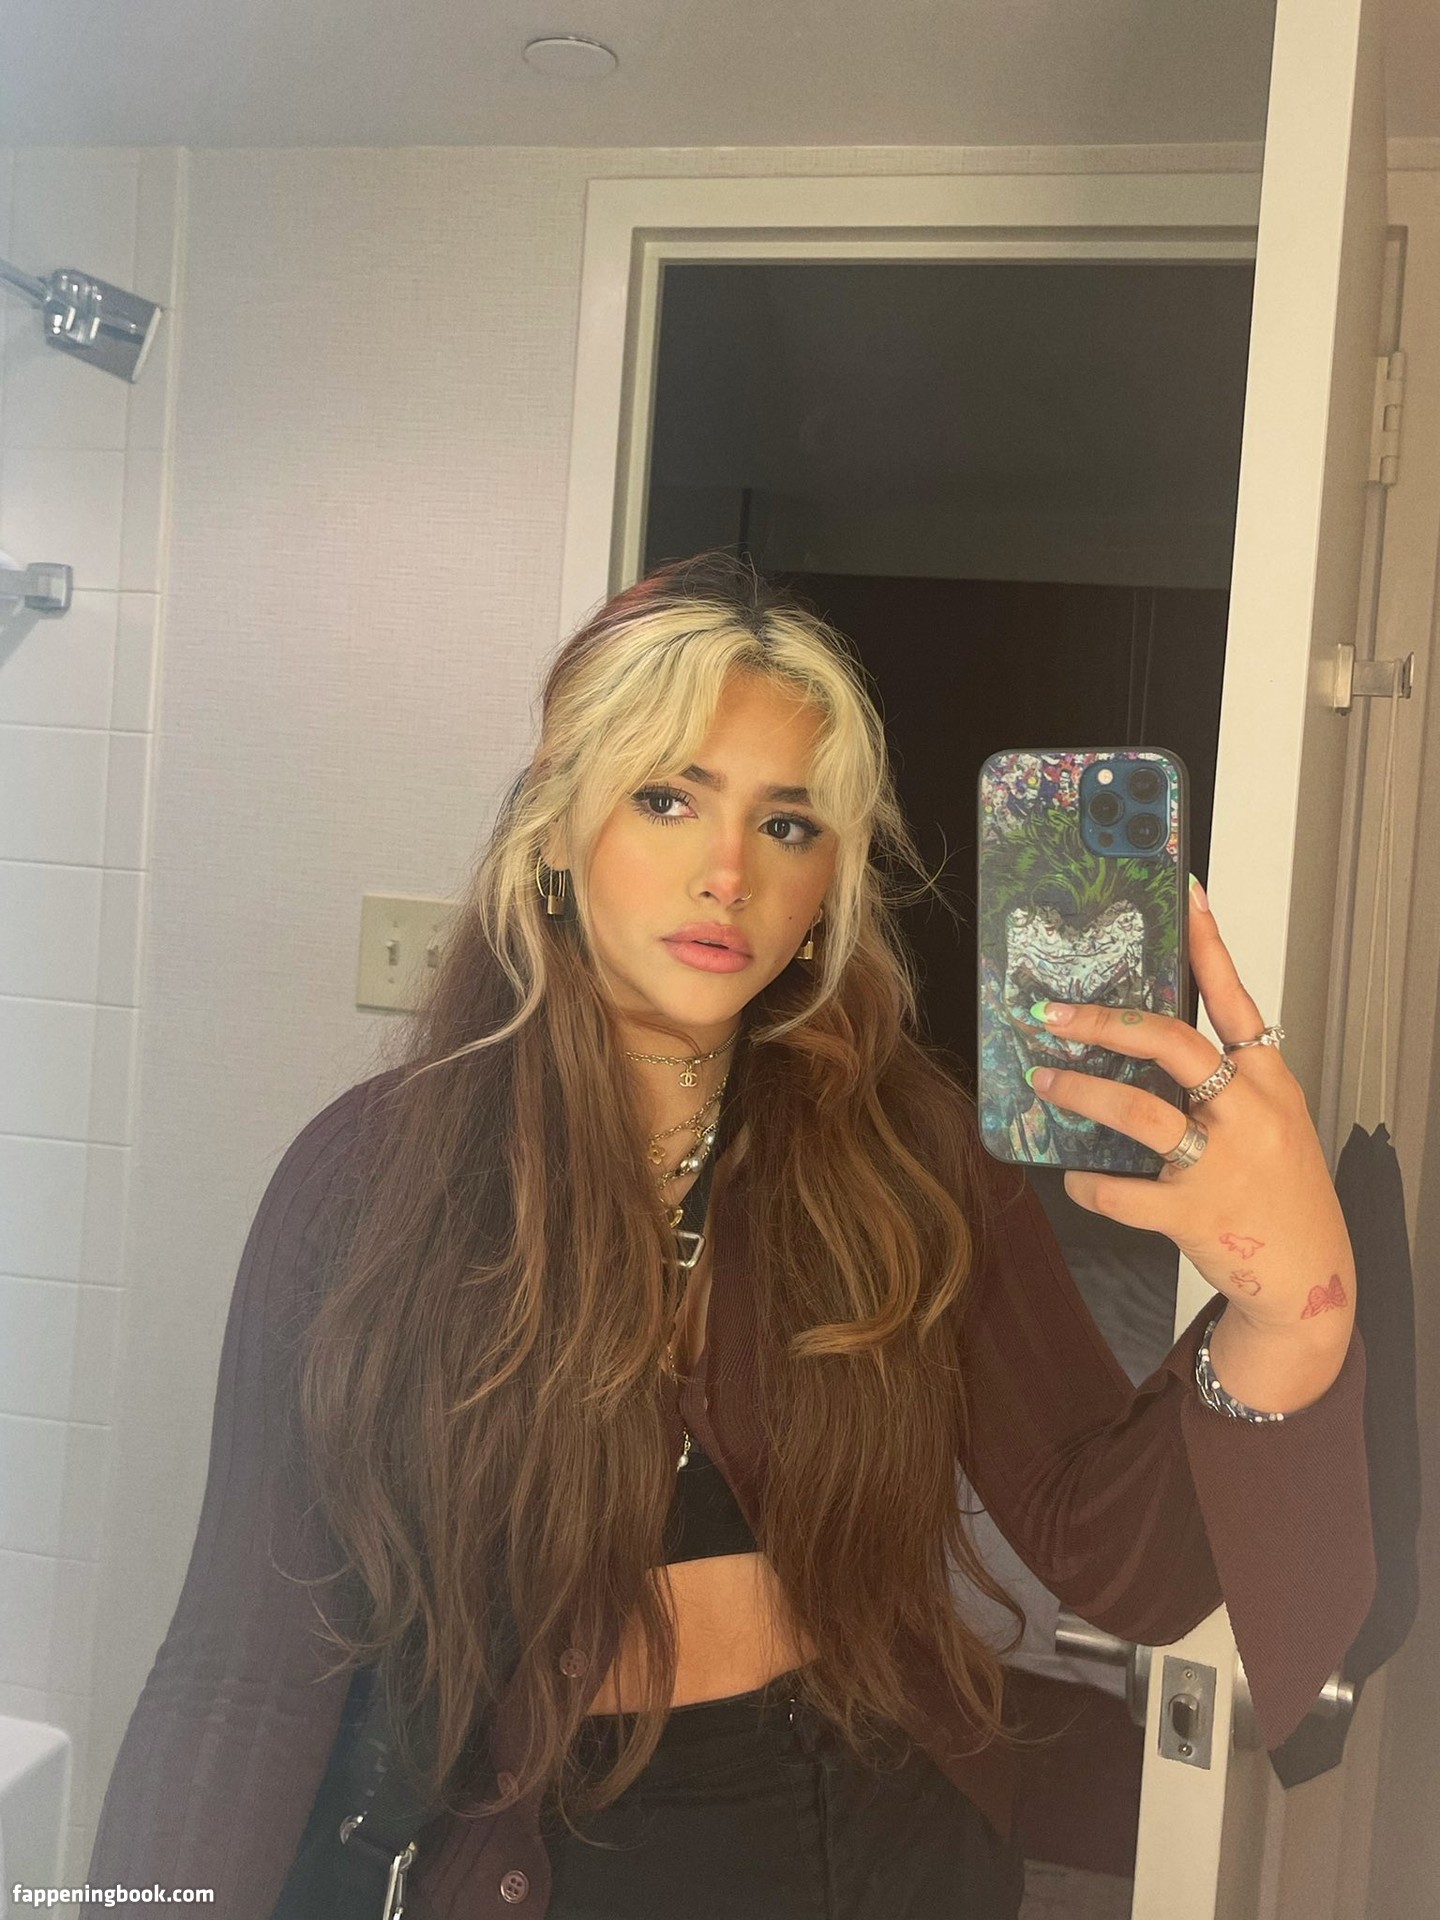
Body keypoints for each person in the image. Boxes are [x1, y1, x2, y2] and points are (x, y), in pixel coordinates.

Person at [89, 552, 1375, 1919]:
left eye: (788, 823)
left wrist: (1291, 1312)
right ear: (557, 828)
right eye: (667, 798)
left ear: (830, 879)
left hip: (873, 1835)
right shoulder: (369, 1183)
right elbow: (241, 1670)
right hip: (529, 1847)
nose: (728, 873)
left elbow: (1121, 1562)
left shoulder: (908, 1156)